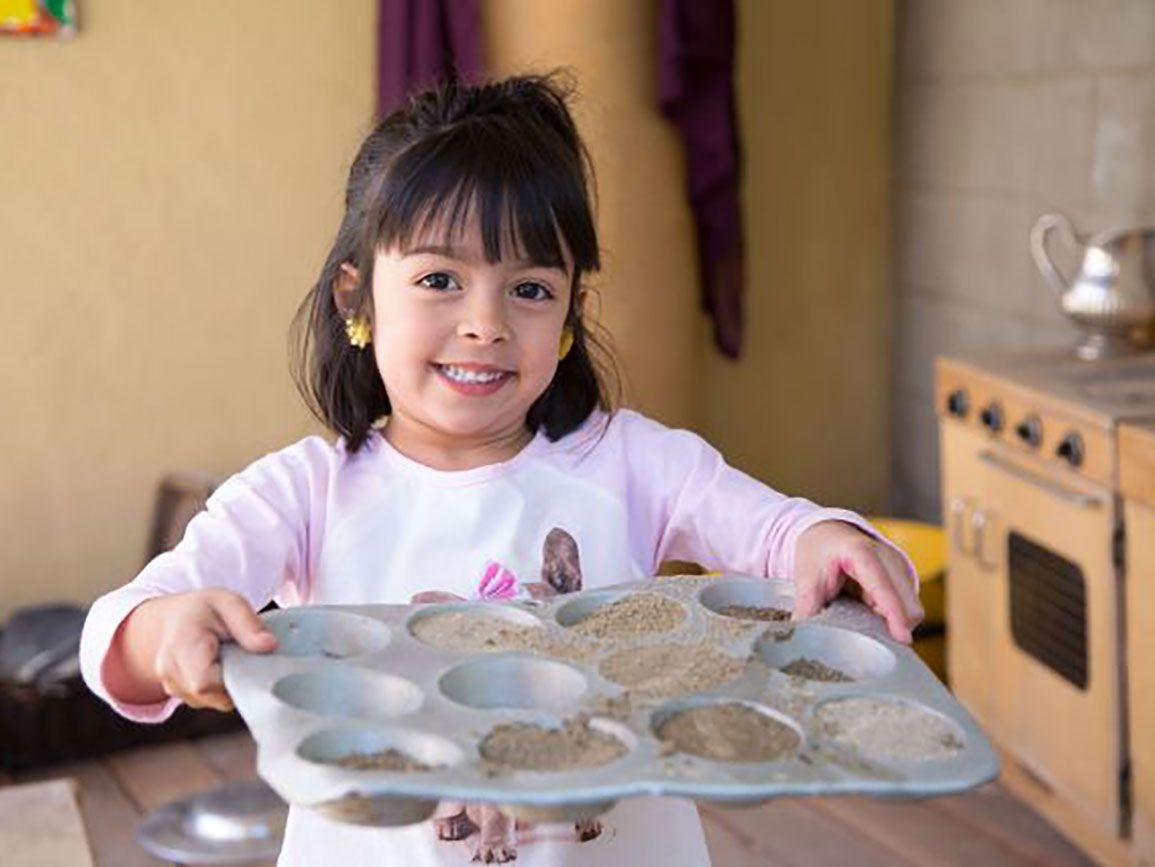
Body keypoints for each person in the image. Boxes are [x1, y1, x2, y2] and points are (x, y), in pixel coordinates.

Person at [80, 73, 922, 867]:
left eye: (528, 288)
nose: (484, 324)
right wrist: (163, 634)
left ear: (568, 315)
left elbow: (777, 530)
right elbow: (119, 629)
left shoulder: (634, 462)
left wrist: (827, 536)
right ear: (356, 298)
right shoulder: (303, 492)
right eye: (439, 279)